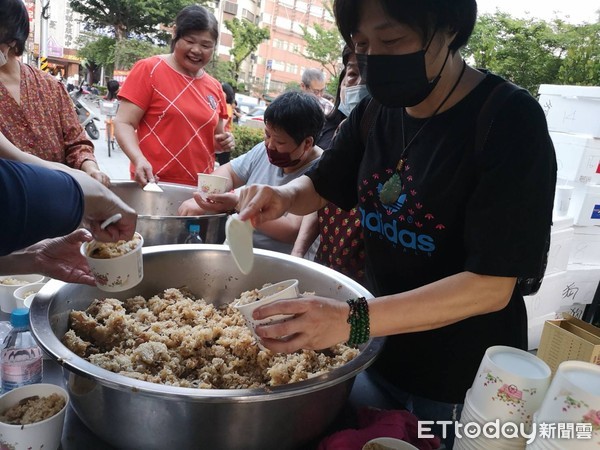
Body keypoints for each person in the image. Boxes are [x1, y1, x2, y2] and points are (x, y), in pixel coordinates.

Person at [213, 1, 557, 447]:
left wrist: (352, 321)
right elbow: (321, 183)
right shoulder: (375, 111)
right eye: (362, 46)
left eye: (391, 40)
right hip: (380, 349)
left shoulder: (509, 120)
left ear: (448, 28)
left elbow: (492, 285)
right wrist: (281, 197)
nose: (375, 59)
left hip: (457, 379)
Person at [178, 91, 324, 254]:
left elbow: (291, 230)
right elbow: (230, 172)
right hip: (238, 249)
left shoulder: (322, 170)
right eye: (267, 135)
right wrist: (206, 195)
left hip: (280, 262)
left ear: (307, 143)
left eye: (280, 142)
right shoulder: (263, 150)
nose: (270, 145)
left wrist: (238, 205)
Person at [115, 5, 234, 187]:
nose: (196, 50)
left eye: (205, 45)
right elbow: (124, 123)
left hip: (199, 189)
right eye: (190, 41)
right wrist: (138, 159)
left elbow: (215, 142)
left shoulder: (215, 87)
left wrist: (224, 142)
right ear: (175, 34)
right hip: (153, 182)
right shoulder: (149, 69)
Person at [0, 0, 110, 186]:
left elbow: (76, 142)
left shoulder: (49, 86)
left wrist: (90, 169)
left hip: (61, 201)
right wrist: (65, 173)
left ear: (11, 38)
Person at [292, 45, 369, 283]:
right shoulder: (335, 132)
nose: (359, 84)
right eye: (353, 74)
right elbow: (322, 193)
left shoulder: (394, 143)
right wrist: (298, 252)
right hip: (327, 265)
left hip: (366, 283)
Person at [0, 131, 137, 261]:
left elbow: (18, 157)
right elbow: (8, 191)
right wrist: (85, 195)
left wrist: (84, 182)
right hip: (44, 211)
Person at [218, 82, 236, 165]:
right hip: (220, 139)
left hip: (224, 140)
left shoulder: (227, 106)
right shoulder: (222, 105)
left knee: (223, 164)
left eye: (222, 91)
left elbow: (222, 123)